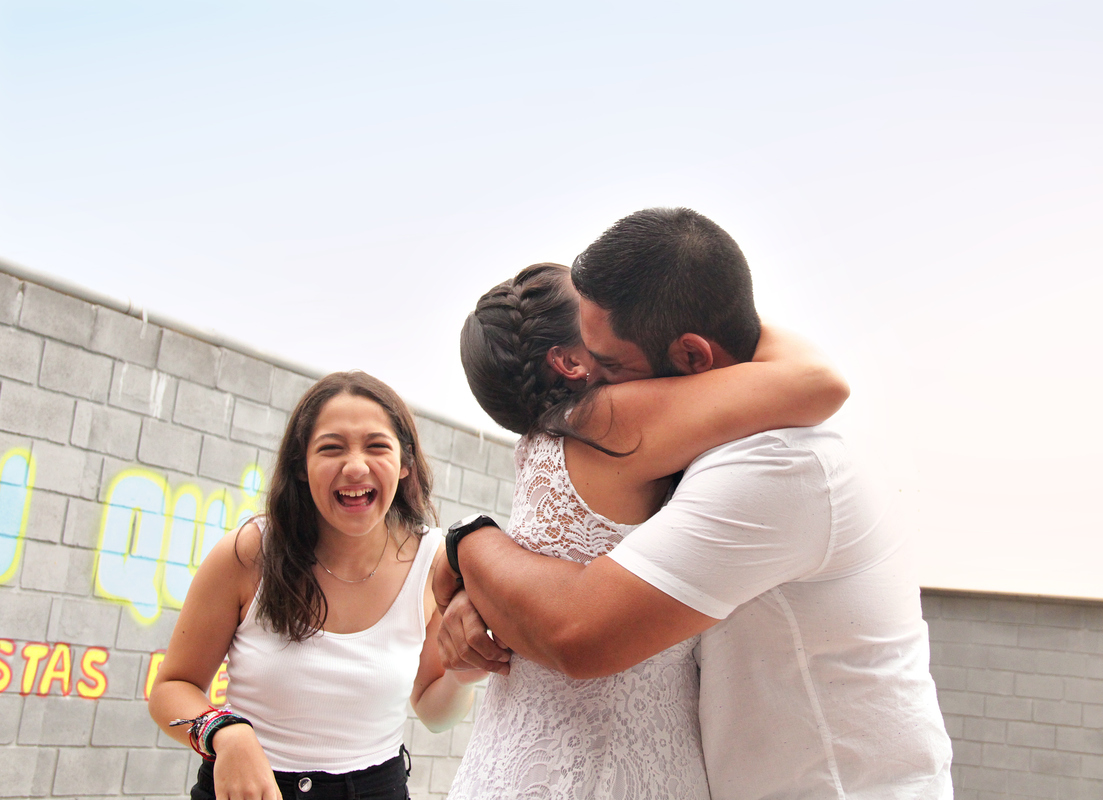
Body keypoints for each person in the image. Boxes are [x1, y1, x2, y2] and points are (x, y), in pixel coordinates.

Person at [437, 209, 954, 800]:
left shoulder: (774, 463)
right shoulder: (642, 437)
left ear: (690, 358)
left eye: (610, 361)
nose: (604, 380)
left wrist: (465, 541)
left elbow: (576, 631)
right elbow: (807, 374)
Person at [149, 371, 484, 800]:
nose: (356, 466)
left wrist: (463, 676)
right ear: (301, 467)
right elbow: (171, 689)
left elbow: (434, 713)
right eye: (331, 448)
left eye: (377, 446)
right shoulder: (250, 553)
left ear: (404, 464)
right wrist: (224, 733)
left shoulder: (432, 563)